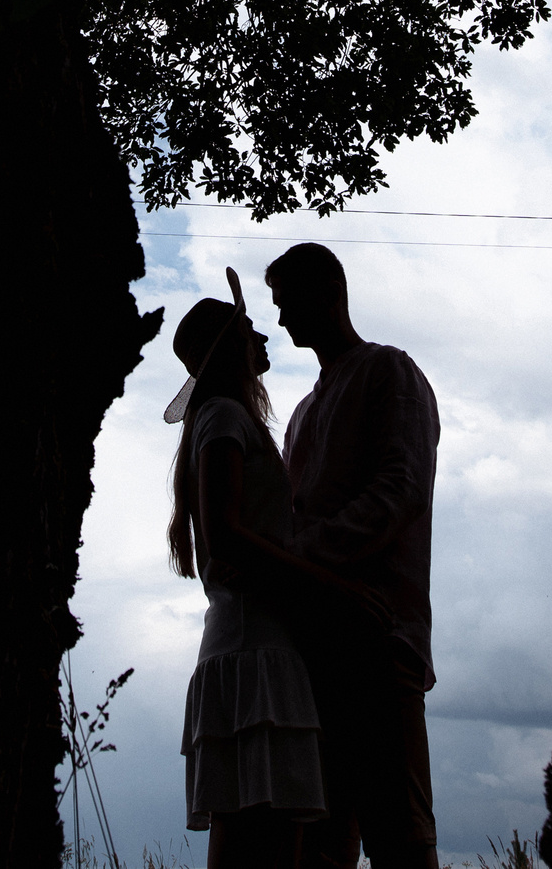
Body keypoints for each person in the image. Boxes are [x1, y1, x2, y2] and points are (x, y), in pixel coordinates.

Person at [266, 242, 443, 869]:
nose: (281, 322)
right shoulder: (303, 410)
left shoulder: (388, 372)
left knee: (399, 832)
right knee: (321, 837)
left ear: (326, 294)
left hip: (379, 635)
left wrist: (300, 557)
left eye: (287, 304)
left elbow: (399, 489)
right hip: (314, 651)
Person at [167, 289, 348, 869]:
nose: (264, 337)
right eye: (250, 330)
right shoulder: (223, 416)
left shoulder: (226, 417)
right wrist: (326, 585)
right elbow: (224, 540)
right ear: (231, 349)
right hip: (255, 653)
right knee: (264, 842)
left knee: (260, 840)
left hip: (251, 645)